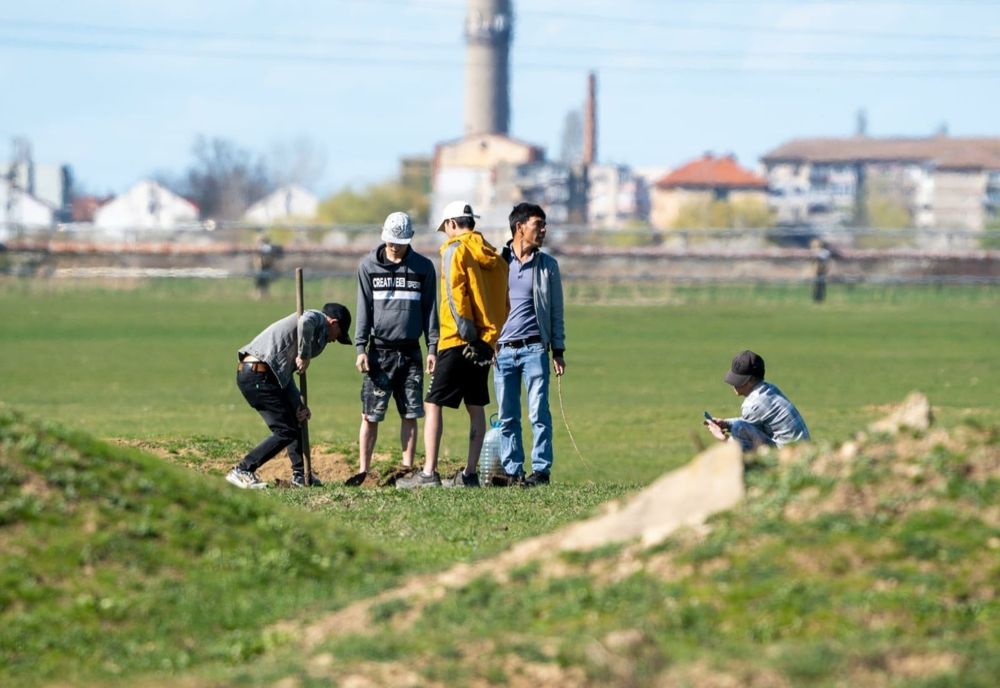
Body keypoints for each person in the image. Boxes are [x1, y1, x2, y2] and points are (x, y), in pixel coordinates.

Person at [396, 201, 509, 488]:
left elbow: (455, 296)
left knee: (432, 403)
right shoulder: (494, 257)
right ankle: (470, 475)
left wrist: (468, 334)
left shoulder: (454, 250)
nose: (445, 234)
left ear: (451, 224)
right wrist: (488, 339)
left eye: (445, 228)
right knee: (475, 406)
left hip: (457, 338)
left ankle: (428, 474)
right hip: (484, 343)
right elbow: (503, 302)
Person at [350, 212, 438, 486]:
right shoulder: (367, 267)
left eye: (399, 242)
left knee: (411, 413)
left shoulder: (424, 268)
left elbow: (430, 311)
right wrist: (360, 347)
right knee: (370, 414)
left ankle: (406, 469)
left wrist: (432, 347)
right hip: (379, 352)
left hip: (411, 351)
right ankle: (364, 470)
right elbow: (363, 308)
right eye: (390, 242)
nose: (394, 247)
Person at [226, 303, 352, 489]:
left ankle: (301, 476)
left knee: (296, 417)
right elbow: (305, 322)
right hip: (257, 374)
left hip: (265, 375)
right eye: (338, 335)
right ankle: (242, 470)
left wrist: (298, 404)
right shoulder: (316, 317)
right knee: (285, 430)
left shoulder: (313, 334)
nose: (335, 341)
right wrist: (305, 354)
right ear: (333, 323)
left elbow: (283, 375)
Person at [492, 203, 566, 487]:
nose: (543, 230)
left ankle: (541, 471)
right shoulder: (498, 263)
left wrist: (557, 350)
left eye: (544, 225)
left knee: (538, 413)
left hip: (535, 348)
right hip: (502, 351)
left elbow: (556, 312)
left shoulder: (548, 266)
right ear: (519, 227)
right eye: (538, 224)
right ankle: (513, 471)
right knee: (508, 415)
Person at [704, 350, 810, 452]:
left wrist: (722, 438)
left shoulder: (751, 405)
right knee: (738, 426)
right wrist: (726, 423)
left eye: (738, 380)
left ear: (751, 380)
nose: (733, 384)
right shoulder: (769, 388)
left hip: (787, 454)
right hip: (801, 449)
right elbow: (754, 422)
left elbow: (743, 431)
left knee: (738, 428)